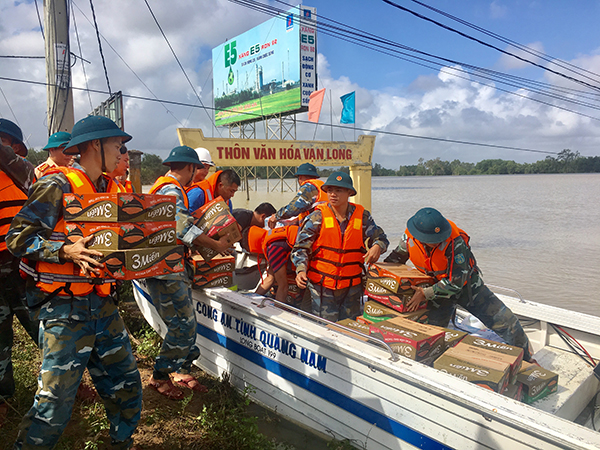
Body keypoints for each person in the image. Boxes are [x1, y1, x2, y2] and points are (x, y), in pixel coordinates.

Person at [7, 115, 142, 450]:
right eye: (117, 145)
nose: (121, 152)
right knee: (55, 404)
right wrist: (64, 250)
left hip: (103, 304)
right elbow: (17, 238)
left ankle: (120, 442)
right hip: (63, 309)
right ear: (95, 144)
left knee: (126, 387)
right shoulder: (57, 185)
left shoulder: (112, 190)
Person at [384, 207, 534, 361]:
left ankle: (528, 360)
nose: (437, 243)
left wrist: (424, 294)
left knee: (505, 321)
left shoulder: (455, 243)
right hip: (436, 291)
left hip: (467, 288)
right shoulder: (409, 237)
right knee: (432, 332)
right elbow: (397, 258)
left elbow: (456, 282)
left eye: (438, 239)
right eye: (432, 242)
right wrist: (379, 276)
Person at [146, 145, 233, 400]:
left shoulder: (164, 188)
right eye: (198, 168)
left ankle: (181, 370)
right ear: (190, 167)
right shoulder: (173, 191)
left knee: (181, 323)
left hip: (162, 266)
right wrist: (216, 245)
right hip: (168, 269)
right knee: (183, 325)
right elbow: (183, 230)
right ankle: (160, 376)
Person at [292, 171, 389, 322]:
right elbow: (300, 248)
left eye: (339, 190)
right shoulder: (317, 217)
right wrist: (301, 269)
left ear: (349, 192)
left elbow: (381, 238)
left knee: (349, 327)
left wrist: (377, 246)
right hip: (322, 286)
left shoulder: (363, 216)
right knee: (325, 328)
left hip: (352, 287)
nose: (333, 194)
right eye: (330, 190)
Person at [0, 119, 39, 428]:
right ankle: (3, 398)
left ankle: (68, 382)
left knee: (44, 329)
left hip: (20, 269)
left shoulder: (23, 171)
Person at [245, 225, 303, 305]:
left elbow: (283, 286)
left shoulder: (273, 249)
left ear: (253, 249)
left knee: (307, 308)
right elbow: (270, 278)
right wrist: (252, 298)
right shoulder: (271, 238)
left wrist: (276, 310)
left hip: (317, 263)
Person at [268, 162, 327, 228]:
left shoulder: (308, 187)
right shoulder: (322, 186)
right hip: (325, 223)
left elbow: (294, 208)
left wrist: (276, 216)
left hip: (316, 227)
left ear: (300, 177)